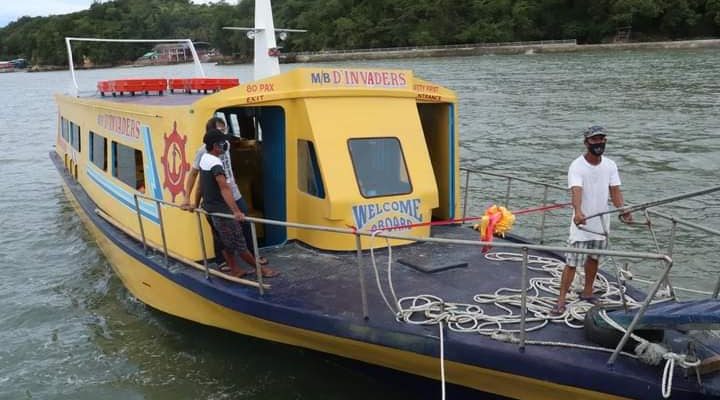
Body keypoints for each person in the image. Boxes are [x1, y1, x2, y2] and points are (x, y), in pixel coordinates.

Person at [552, 125, 631, 315]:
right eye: (595, 140)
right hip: (582, 223)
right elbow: (576, 190)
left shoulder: (610, 165)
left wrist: (623, 209)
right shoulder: (577, 166)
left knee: (594, 258)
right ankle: (561, 300)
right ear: (586, 142)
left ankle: (588, 292)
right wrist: (578, 212)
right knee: (572, 262)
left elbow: (615, 191)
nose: (599, 143)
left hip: (601, 223)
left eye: (602, 139)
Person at [181, 117, 269, 268]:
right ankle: (222, 261)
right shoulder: (203, 152)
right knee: (219, 230)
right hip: (219, 198)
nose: (224, 134)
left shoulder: (226, 144)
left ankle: (253, 255)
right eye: (220, 130)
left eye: (225, 130)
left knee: (246, 222)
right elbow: (195, 175)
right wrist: (188, 198)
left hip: (234, 192)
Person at [196, 128, 278, 278]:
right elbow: (225, 188)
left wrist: (196, 204)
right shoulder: (216, 164)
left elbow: (201, 185)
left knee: (226, 242)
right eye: (222, 143)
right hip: (222, 212)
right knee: (240, 244)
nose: (225, 145)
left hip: (209, 209)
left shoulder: (204, 159)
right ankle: (262, 270)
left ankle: (235, 269)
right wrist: (236, 211)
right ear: (216, 146)